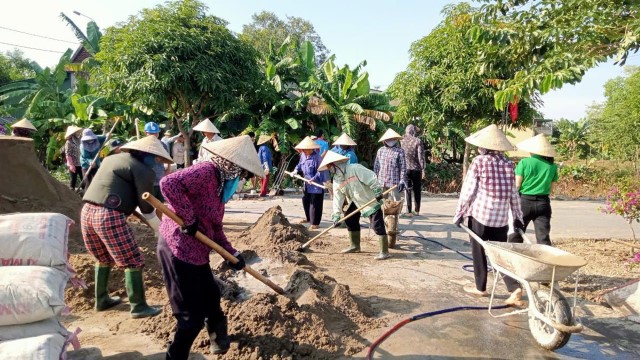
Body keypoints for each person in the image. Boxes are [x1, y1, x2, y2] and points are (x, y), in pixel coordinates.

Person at [158, 135, 263, 358]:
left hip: (197, 250)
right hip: (177, 248)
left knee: (212, 294)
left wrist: (232, 254)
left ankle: (218, 339)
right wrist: (187, 217)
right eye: (240, 172)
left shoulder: (219, 187)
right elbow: (169, 184)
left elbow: (214, 228)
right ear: (230, 164)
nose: (241, 178)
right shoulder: (206, 171)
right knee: (190, 319)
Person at [81, 135, 170, 318]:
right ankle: (138, 306)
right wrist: (158, 229)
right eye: (156, 158)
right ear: (146, 154)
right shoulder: (143, 170)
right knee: (133, 260)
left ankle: (102, 299)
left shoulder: (111, 158)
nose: (157, 162)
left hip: (87, 211)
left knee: (103, 258)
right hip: (109, 215)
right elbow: (146, 206)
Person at [452, 124, 525, 307]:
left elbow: (468, 191)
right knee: (498, 254)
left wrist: (459, 213)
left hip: (481, 215)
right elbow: (513, 193)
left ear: (484, 146)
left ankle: (480, 288)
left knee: (479, 251)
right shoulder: (509, 164)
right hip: (501, 219)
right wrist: (517, 217)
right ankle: (514, 288)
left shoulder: (479, 161)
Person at [320, 151, 391, 260]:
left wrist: (377, 191)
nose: (329, 170)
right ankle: (355, 246)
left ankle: (384, 251)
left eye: (330, 166)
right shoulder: (337, 179)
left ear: (336, 164)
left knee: (377, 224)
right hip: (355, 201)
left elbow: (371, 177)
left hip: (369, 199)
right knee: (350, 218)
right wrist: (336, 215)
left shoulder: (354, 168)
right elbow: (338, 198)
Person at [512, 134, 559, 246]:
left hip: (524, 202)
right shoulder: (552, 166)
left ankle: (516, 259)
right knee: (543, 237)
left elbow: (517, 185)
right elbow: (551, 189)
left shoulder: (524, 162)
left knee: (516, 234)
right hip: (543, 203)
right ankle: (545, 261)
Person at [293, 136, 328, 230]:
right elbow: (300, 165)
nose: (304, 151)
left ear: (311, 149)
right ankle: (309, 219)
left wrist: (313, 179)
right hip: (307, 184)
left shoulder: (317, 158)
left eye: (306, 149)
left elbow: (320, 171)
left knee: (315, 204)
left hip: (316, 184)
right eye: (303, 149)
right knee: (306, 201)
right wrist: (295, 171)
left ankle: (315, 223)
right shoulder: (303, 155)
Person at [374, 128, 407, 201]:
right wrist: (375, 179)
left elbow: (403, 167)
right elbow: (377, 166)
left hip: (394, 182)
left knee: (395, 203)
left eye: (393, 139)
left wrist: (402, 180)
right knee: (382, 203)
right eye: (389, 139)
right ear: (385, 140)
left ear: (396, 139)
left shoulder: (400, 151)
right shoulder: (381, 150)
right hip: (381, 182)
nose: (391, 141)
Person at [401, 124, 427, 217]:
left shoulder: (401, 141)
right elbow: (421, 156)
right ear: (413, 131)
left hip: (405, 169)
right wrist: (423, 168)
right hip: (417, 169)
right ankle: (417, 211)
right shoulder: (418, 141)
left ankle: (408, 211)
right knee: (417, 190)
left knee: (407, 190)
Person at [144, 122, 171, 201]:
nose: (154, 135)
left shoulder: (163, 145)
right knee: (149, 203)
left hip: (160, 178)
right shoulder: (141, 146)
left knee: (160, 203)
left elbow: (168, 159)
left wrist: (167, 172)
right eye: (151, 133)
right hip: (147, 180)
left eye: (156, 133)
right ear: (146, 133)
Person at [64, 125, 84, 191]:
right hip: (73, 163)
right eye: (77, 132)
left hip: (81, 162)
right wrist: (71, 164)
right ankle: (71, 194)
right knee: (73, 179)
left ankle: (85, 193)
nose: (78, 133)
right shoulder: (69, 142)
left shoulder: (80, 140)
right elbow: (68, 154)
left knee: (84, 178)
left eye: (78, 132)